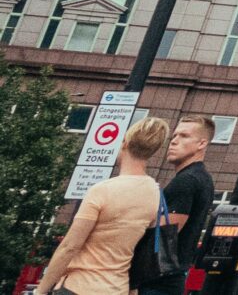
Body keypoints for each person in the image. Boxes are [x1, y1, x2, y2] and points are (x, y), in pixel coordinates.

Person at [35, 115, 173, 295]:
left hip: (81, 286)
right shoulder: (156, 194)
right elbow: (142, 252)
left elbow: (70, 246)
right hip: (118, 288)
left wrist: (41, 290)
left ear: (124, 143)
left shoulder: (102, 190)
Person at [142, 115, 216, 295]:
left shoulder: (187, 181)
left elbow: (163, 238)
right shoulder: (201, 178)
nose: (174, 142)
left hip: (157, 283)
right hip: (170, 279)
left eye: (184, 136)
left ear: (201, 144)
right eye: (174, 136)